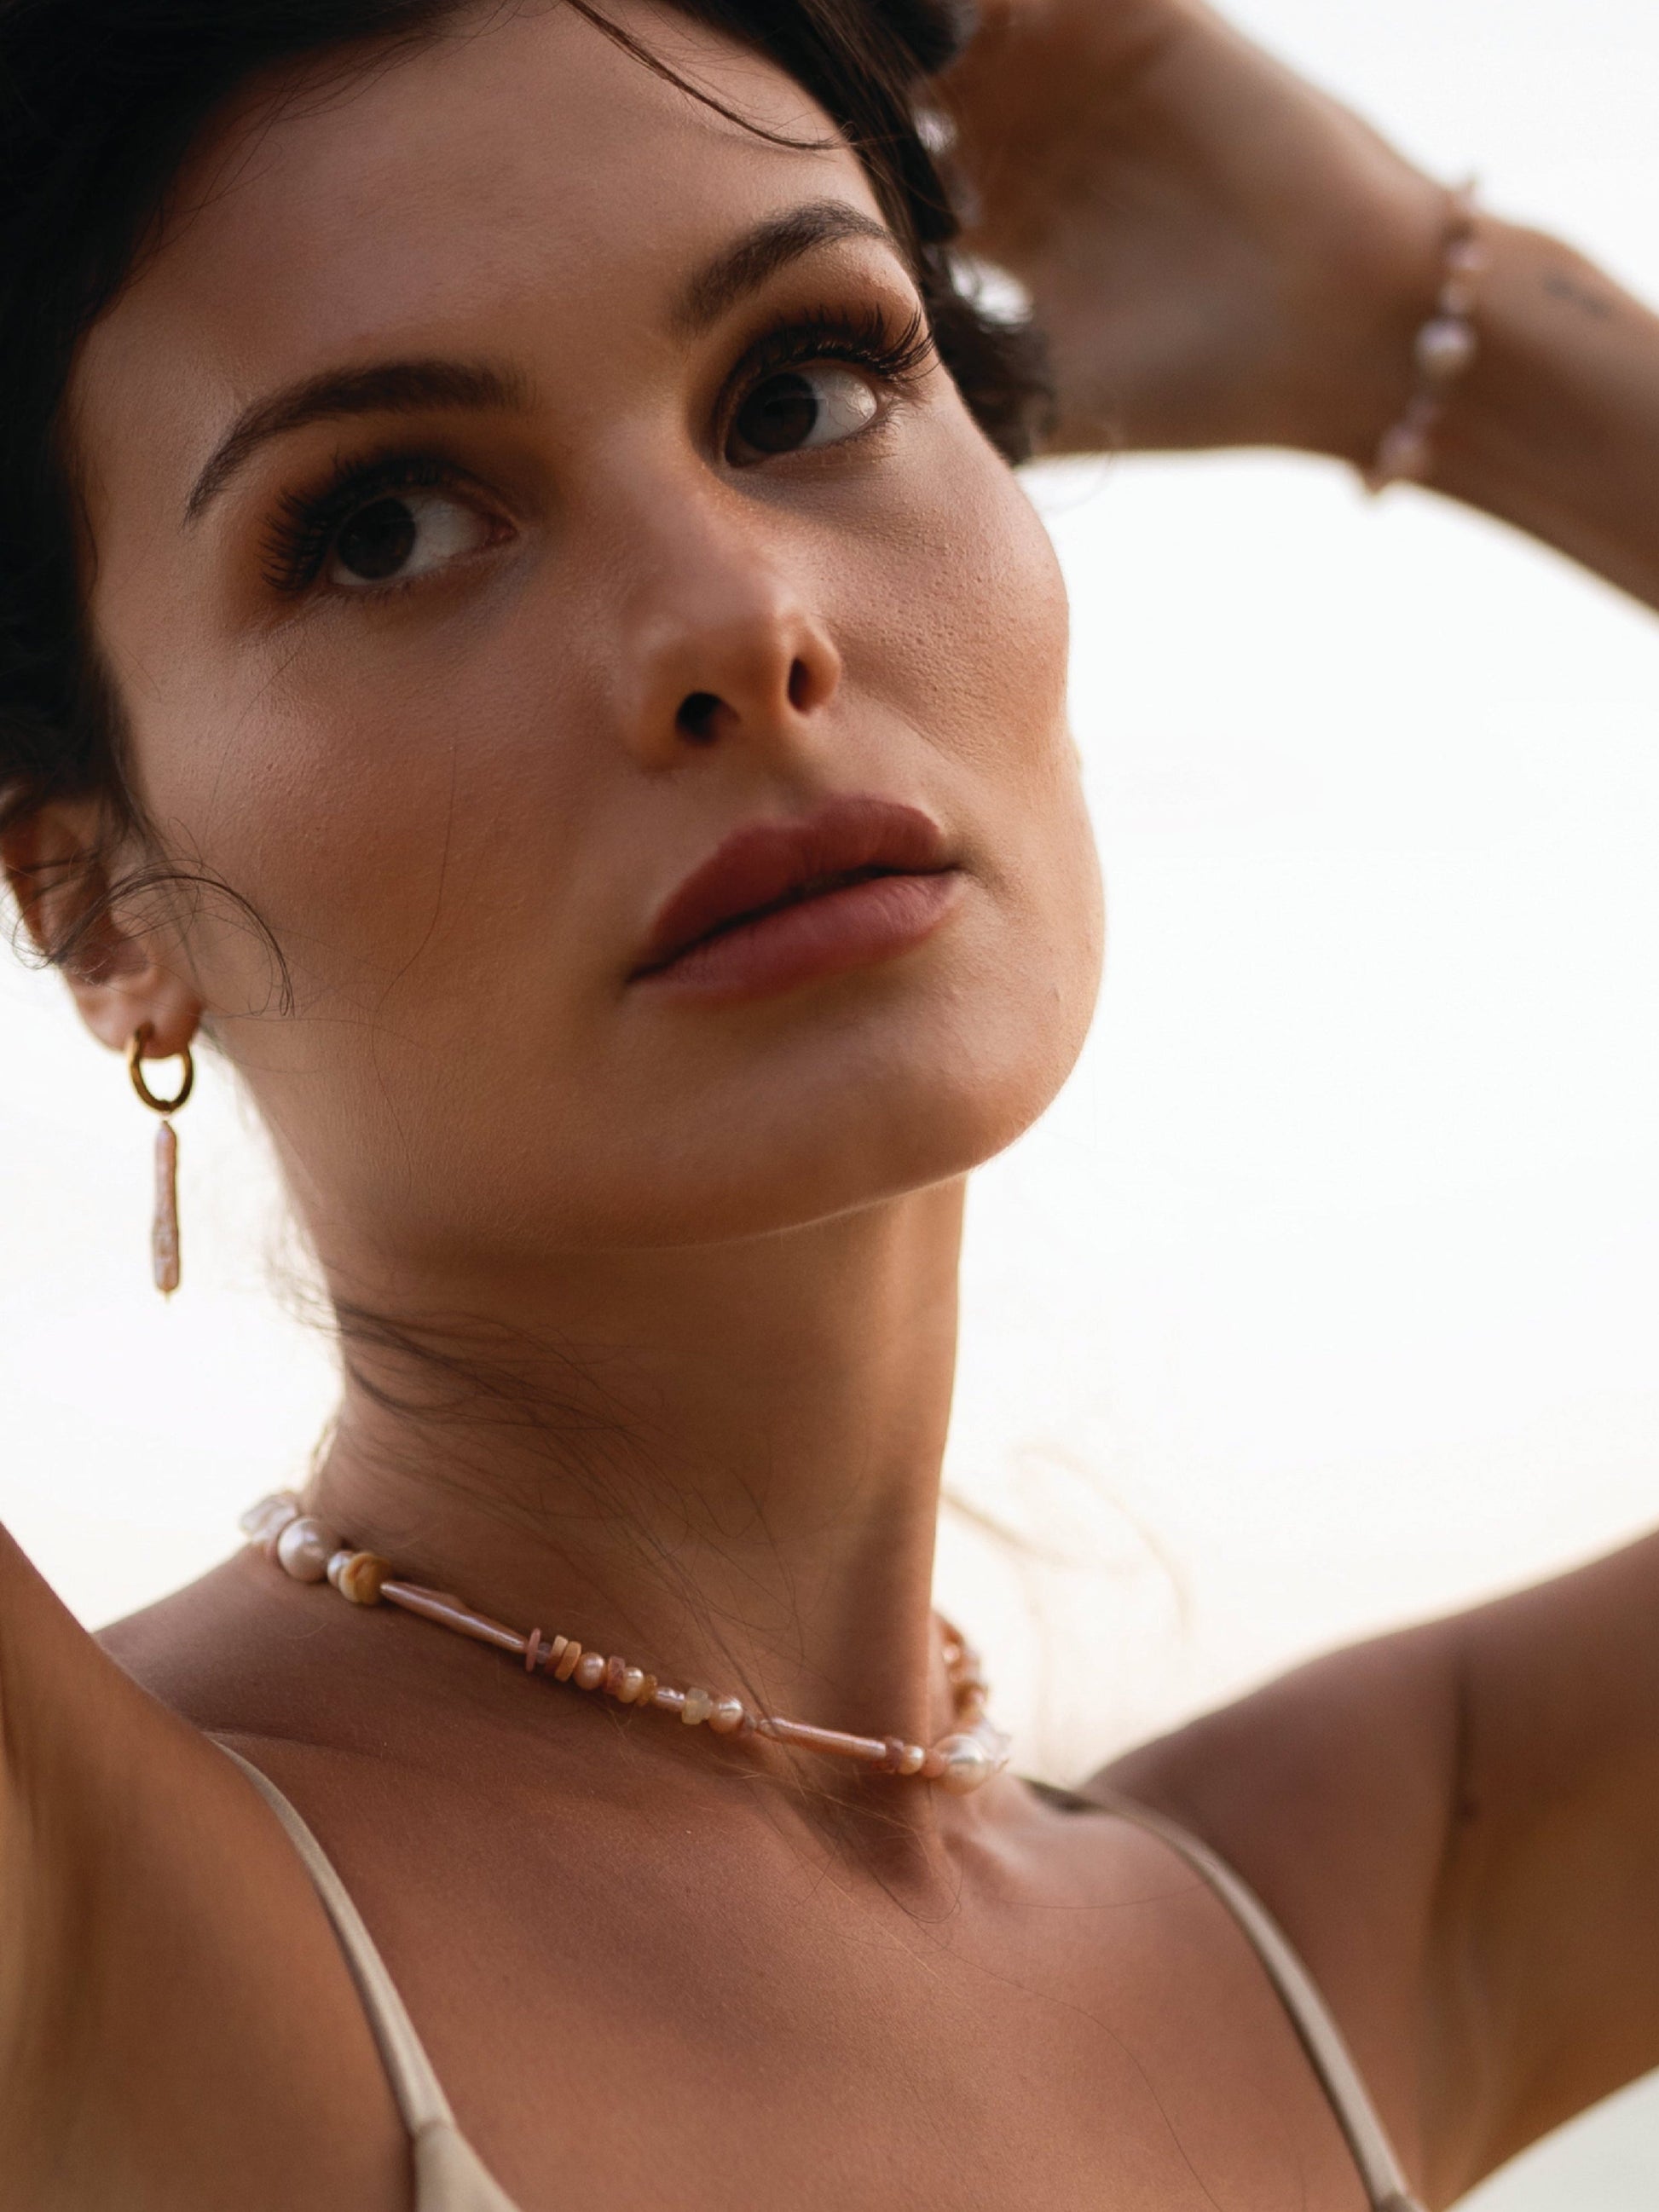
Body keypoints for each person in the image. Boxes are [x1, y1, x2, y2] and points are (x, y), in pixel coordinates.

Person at [1, 3, 1656, 2208]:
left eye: (801, 389)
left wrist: (1398, 313)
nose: (735, 616)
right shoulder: (87, 1916)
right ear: (105, 899)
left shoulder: (1341, 1929)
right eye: (384, 526)